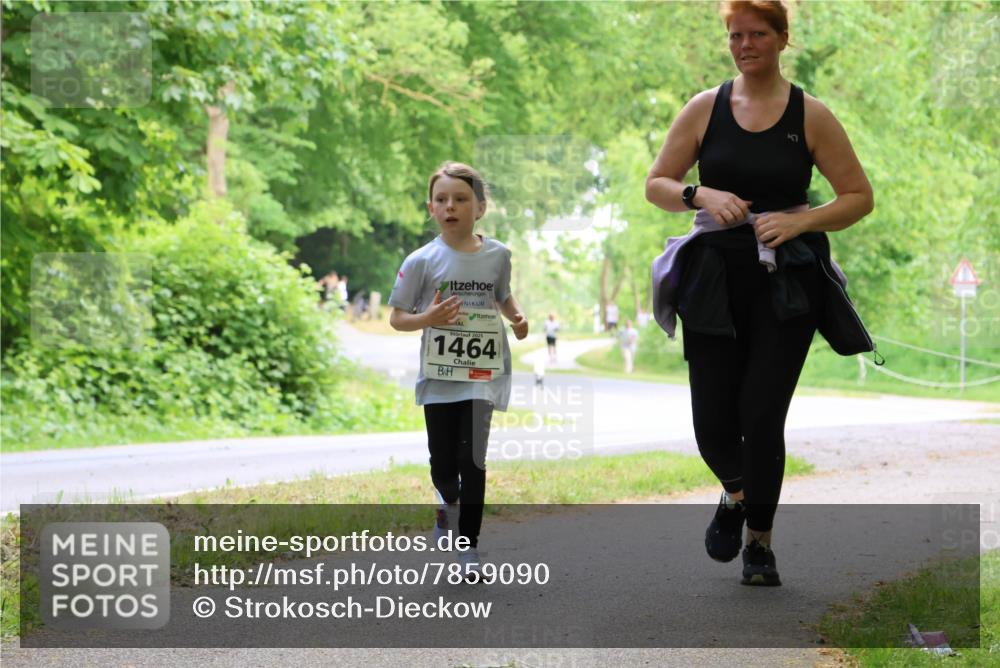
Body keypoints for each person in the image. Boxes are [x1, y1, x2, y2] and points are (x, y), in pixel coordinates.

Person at [645, 0, 874, 586]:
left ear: (781, 39)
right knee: (713, 425)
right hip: (713, 280)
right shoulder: (705, 108)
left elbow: (856, 197)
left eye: (756, 35)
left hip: (785, 283)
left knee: (762, 416)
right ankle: (735, 493)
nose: (744, 45)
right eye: (734, 35)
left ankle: (760, 546)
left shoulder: (811, 114)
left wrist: (800, 222)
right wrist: (699, 195)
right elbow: (658, 184)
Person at [388, 161, 529, 579]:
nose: (451, 206)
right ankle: (444, 501)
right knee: (444, 466)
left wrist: (518, 318)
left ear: (480, 207)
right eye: (442, 200)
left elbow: (502, 295)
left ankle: (469, 550)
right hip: (438, 379)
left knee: (474, 462)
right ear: (431, 209)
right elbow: (396, 317)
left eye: (461, 199)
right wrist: (428, 317)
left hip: (482, 376)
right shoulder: (421, 261)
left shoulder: (498, 255)